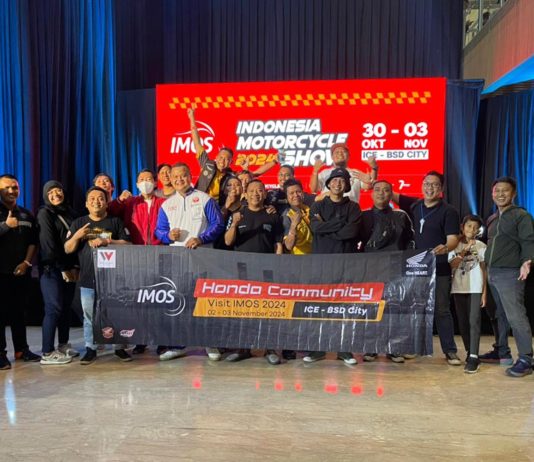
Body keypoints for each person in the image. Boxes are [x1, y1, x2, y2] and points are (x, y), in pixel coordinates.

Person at [155, 163, 224, 361]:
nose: (179, 179)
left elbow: (218, 224)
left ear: (190, 176)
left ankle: (210, 343)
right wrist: (168, 235)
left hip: (203, 259)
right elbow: (159, 231)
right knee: (180, 302)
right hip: (178, 262)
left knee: (205, 302)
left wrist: (201, 238)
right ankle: (178, 345)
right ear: (170, 179)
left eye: (183, 175)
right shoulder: (167, 205)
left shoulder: (204, 198)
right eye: (175, 176)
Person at [393, 171, 462, 366]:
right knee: (414, 309)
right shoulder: (415, 206)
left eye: (434, 184)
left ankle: (450, 351)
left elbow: (453, 239)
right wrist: (373, 177)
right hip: (417, 268)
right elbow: (391, 194)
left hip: (439, 268)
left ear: (441, 188)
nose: (429, 188)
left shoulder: (449, 211)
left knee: (441, 310)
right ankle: (410, 348)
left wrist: (446, 247)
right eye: (426, 184)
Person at [64, 186, 132, 365]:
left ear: (107, 203)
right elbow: (67, 249)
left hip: (113, 281)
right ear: (86, 204)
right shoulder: (79, 223)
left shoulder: (115, 222)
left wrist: (107, 241)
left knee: (116, 315)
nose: (96, 201)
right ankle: (90, 349)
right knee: (89, 317)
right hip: (88, 279)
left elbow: (128, 244)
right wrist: (77, 236)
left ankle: (119, 348)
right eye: (92, 199)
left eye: (101, 198)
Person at [303, 168, 361, 365]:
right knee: (320, 306)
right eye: (334, 180)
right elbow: (315, 228)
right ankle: (317, 349)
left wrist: (327, 227)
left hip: (345, 264)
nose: (338, 183)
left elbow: (351, 232)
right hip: (322, 264)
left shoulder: (353, 207)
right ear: (328, 184)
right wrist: (339, 223)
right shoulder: (318, 205)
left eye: (342, 181)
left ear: (347, 185)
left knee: (343, 308)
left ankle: (344, 350)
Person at [108, 169, 167, 355]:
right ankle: (141, 339)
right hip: (136, 255)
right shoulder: (131, 202)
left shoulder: (164, 203)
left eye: (149, 179)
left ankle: (162, 340)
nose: (145, 182)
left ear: (155, 183)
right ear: (136, 184)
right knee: (140, 300)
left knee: (159, 299)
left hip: (159, 254)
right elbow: (109, 211)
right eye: (141, 179)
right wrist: (119, 200)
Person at [224, 179, 284, 364]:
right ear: (245, 193)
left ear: (265, 194)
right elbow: (228, 241)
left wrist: (277, 265)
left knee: (267, 310)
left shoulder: (272, 215)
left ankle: (269, 348)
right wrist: (234, 225)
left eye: (259, 190)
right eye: (251, 191)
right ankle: (243, 348)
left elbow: (278, 243)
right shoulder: (237, 214)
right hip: (243, 270)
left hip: (267, 270)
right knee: (243, 309)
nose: (255, 194)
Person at [359, 179, 415, 364]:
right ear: (371, 193)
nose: (381, 193)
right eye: (377, 190)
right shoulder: (363, 216)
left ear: (391, 194)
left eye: (385, 190)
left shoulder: (401, 216)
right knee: (372, 309)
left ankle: (394, 348)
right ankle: (371, 347)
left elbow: (410, 242)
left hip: (395, 270)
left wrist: (407, 267)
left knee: (394, 309)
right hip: (371, 270)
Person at [485, 177, 534, 377]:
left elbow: (528, 240)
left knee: (515, 316)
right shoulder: (492, 218)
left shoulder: (521, 216)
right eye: (497, 191)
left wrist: (527, 261)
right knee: (499, 315)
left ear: (513, 194)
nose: (500, 194)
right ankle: (502, 352)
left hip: (510, 273)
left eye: (505, 191)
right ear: (492, 194)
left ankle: (526, 359)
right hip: (492, 272)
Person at [187, 105, 276, 201]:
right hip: (198, 201)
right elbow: (197, 142)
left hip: (218, 205)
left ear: (231, 162)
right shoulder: (206, 164)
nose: (222, 161)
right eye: (221, 157)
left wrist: (275, 161)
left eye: (227, 159)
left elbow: (255, 174)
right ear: (216, 157)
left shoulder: (232, 175)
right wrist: (192, 117)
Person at [0, 174, 40, 370]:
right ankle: (0, 354)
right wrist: (5, 226)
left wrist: (26, 263)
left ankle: (21, 350)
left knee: (19, 312)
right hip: (0, 273)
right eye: (6, 187)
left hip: (20, 273)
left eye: (14, 187)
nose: (11, 191)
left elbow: (33, 241)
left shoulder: (26, 214)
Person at [37, 181, 80, 365]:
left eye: (59, 190)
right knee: (53, 308)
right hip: (52, 269)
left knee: (65, 307)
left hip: (70, 268)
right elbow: (48, 245)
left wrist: (74, 266)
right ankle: (47, 352)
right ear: (46, 195)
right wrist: (62, 268)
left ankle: (63, 345)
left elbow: (77, 242)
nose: (56, 194)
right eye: (51, 192)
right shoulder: (45, 213)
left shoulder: (72, 213)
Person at [448, 214, 487, 374]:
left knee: (474, 321)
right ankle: (470, 352)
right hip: (459, 288)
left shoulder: (482, 246)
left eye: (476, 228)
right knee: (463, 323)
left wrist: (484, 292)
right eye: (469, 226)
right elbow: (453, 265)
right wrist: (465, 249)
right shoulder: (454, 245)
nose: (472, 230)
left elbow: (484, 269)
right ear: (462, 227)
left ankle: (473, 356)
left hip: (476, 288)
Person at [309, 143, 377, 203]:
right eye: (337, 152)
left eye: (343, 151)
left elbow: (369, 186)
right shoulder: (324, 173)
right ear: (332, 157)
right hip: (328, 210)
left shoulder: (356, 173)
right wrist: (315, 171)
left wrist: (374, 168)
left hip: (350, 210)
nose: (340, 153)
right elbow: (314, 189)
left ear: (349, 156)